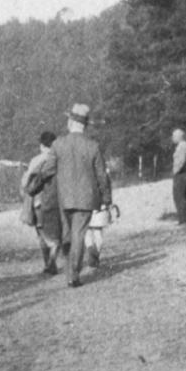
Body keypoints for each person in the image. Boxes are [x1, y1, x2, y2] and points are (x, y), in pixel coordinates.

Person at [38, 103, 113, 288]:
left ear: (71, 122)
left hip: (64, 198)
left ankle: (70, 270)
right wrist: (107, 198)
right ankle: (73, 274)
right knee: (79, 234)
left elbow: (47, 170)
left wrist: (36, 182)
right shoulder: (93, 146)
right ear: (85, 125)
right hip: (86, 198)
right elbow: (102, 176)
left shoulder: (58, 144)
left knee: (68, 235)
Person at [20, 130, 62, 275]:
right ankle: (52, 260)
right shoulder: (60, 159)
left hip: (37, 202)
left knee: (41, 233)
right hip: (56, 201)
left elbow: (26, 183)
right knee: (56, 233)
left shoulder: (36, 160)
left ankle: (48, 263)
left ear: (42, 145)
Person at [171, 127, 186, 224]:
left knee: (179, 196)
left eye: (174, 136)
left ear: (179, 137)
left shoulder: (181, 147)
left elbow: (180, 162)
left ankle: (183, 219)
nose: (172, 138)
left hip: (180, 174)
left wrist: (175, 172)